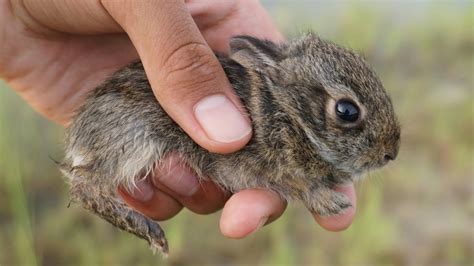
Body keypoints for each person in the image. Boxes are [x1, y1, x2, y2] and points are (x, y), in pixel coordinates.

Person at [0, 0, 356, 238]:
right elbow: (249, 168)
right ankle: (91, 187)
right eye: (346, 113)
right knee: (130, 141)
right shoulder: (269, 123)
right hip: (120, 111)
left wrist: (15, 17)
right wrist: (308, 190)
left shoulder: (286, 124)